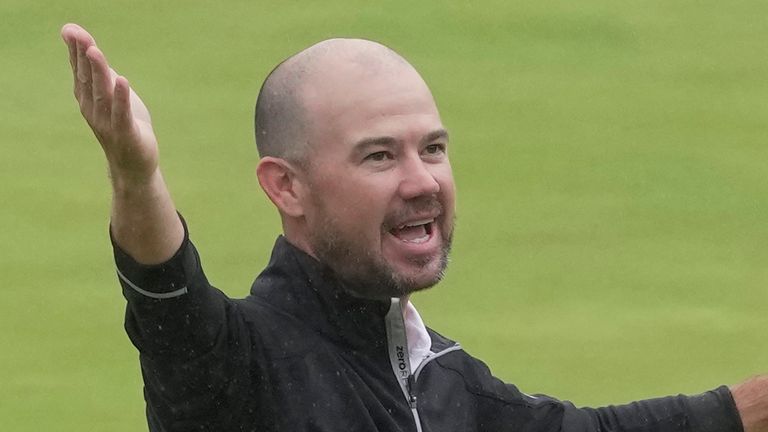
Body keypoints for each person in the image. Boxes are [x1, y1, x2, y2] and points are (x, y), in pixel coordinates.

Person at [60, 23, 768, 432]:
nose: (423, 179)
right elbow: (169, 303)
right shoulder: (240, 371)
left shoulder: (444, 383)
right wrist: (135, 176)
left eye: (432, 148)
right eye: (379, 155)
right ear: (287, 187)